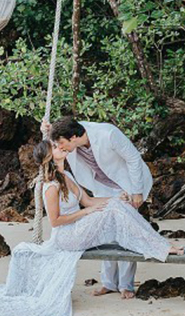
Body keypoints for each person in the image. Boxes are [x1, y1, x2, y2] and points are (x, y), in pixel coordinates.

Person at [0, 140, 182, 316]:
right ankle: (161, 246)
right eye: (56, 146)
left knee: (119, 204)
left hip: (78, 227)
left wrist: (114, 200)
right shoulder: (49, 186)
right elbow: (55, 221)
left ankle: (156, 244)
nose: (61, 147)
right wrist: (86, 213)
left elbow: (88, 201)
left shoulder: (66, 175)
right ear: (49, 156)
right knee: (116, 210)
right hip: (68, 235)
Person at [43, 115, 153, 299]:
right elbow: (49, 149)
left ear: (73, 138)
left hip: (127, 183)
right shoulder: (69, 137)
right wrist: (45, 130)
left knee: (127, 228)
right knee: (107, 231)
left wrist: (137, 192)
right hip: (102, 187)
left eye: (62, 143)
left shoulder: (108, 134)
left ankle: (126, 285)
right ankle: (109, 283)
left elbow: (133, 159)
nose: (61, 148)